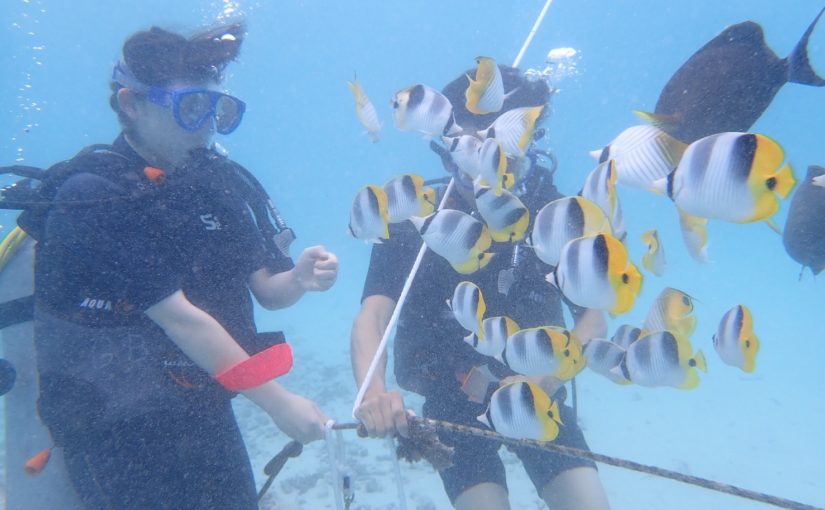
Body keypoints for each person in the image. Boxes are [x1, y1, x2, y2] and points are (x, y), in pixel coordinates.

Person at [23, 23, 338, 509]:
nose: (207, 126)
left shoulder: (217, 185)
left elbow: (267, 290)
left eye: (218, 110)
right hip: (116, 427)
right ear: (131, 104)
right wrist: (280, 405)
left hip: (203, 406)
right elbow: (181, 319)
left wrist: (297, 277)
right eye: (191, 108)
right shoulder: (93, 194)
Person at [351, 67, 611, 510]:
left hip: (536, 395)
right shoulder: (414, 219)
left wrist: (542, 379)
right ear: (449, 148)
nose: (487, 163)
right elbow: (371, 317)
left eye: (502, 149)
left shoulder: (552, 217)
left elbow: (594, 316)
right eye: (474, 146)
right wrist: (371, 390)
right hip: (449, 397)